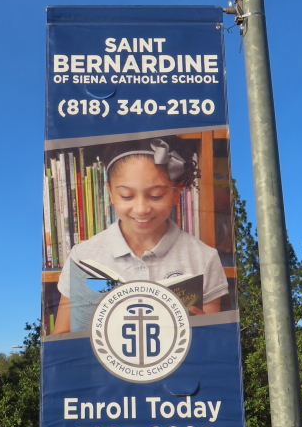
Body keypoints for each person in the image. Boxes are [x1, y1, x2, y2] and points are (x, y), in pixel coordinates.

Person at [52, 139, 228, 333]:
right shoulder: (81, 257)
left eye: (155, 196)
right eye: (127, 196)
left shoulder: (204, 258)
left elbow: (213, 339)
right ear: (110, 192)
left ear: (176, 193)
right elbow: (61, 337)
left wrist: (205, 332)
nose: (141, 209)